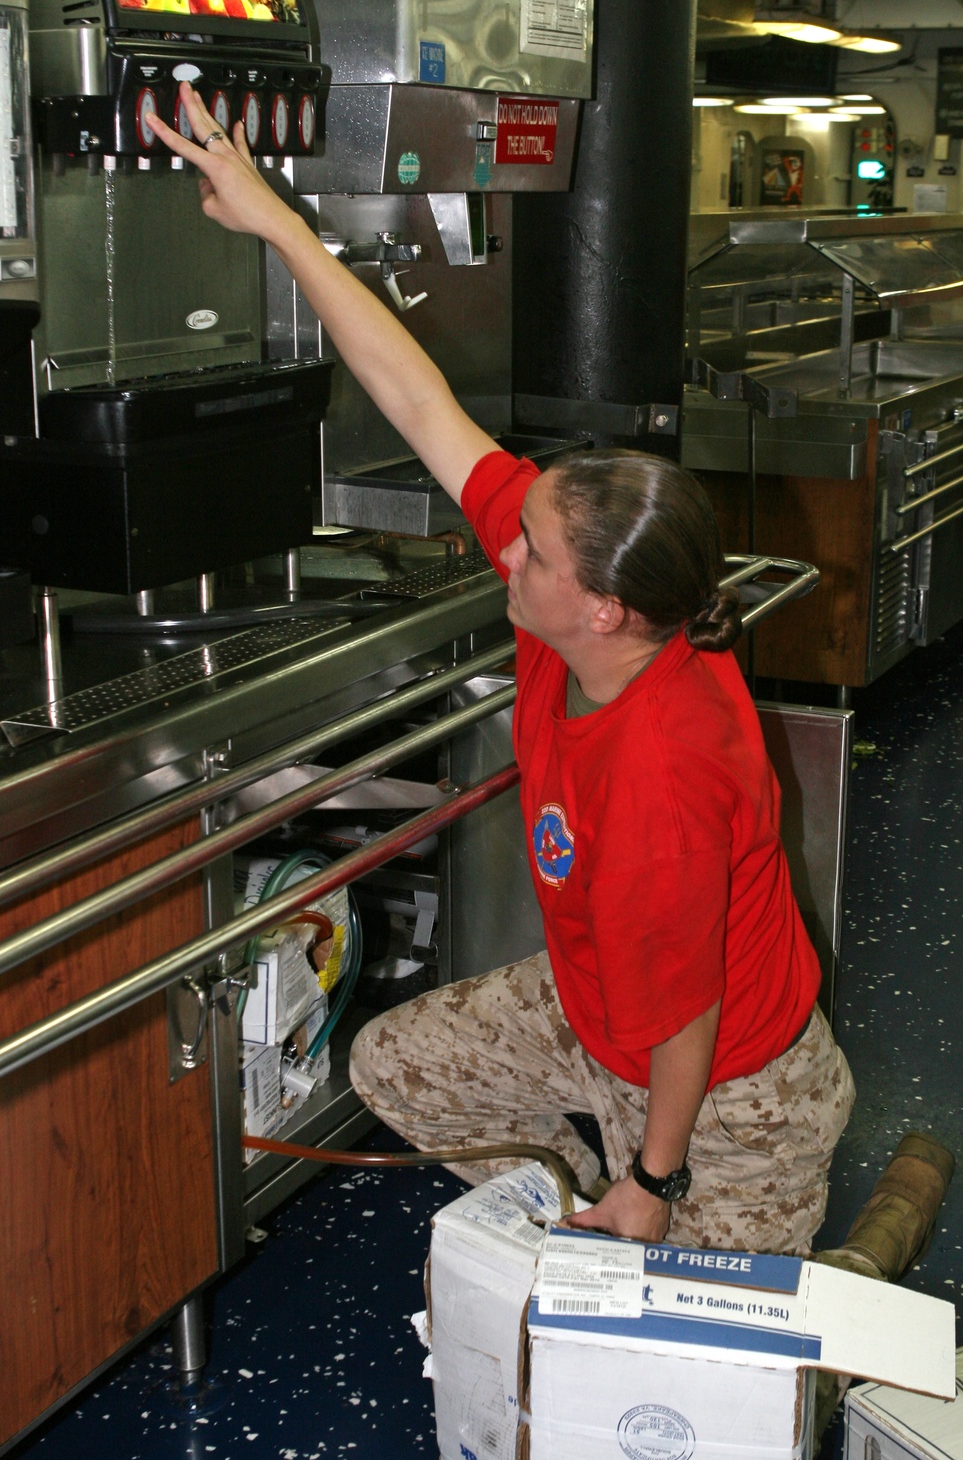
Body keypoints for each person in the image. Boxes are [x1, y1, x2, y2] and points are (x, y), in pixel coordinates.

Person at [150, 85, 856, 1251]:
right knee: (401, 1068)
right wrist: (277, 222)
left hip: (731, 1096)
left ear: (603, 608)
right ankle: (579, 1221)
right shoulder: (585, 613)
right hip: (596, 1017)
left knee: (701, 1367)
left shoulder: (662, 768)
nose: (501, 549)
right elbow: (419, 398)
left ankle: (628, 1236)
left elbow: (687, 1014)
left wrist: (653, 1181)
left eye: (527, 549)